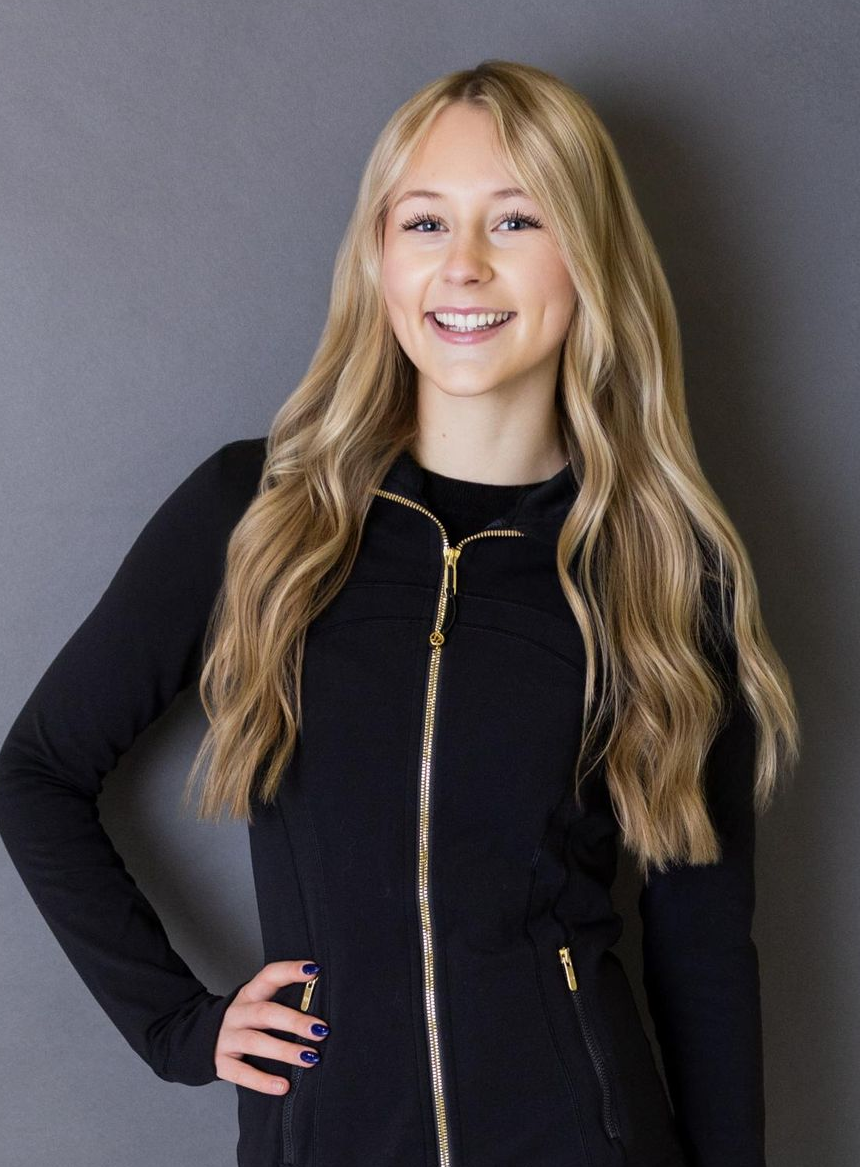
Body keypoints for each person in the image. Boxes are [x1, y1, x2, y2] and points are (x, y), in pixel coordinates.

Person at [0, 59, 799, 1167]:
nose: (462, 265)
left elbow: (702, 947)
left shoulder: (661, 563)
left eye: (515, 219)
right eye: (424, 221)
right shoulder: (259, 512)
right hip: (324, 1138)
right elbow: (36, 770)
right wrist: (177, 1025)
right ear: (379, 259)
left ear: (587, 261)